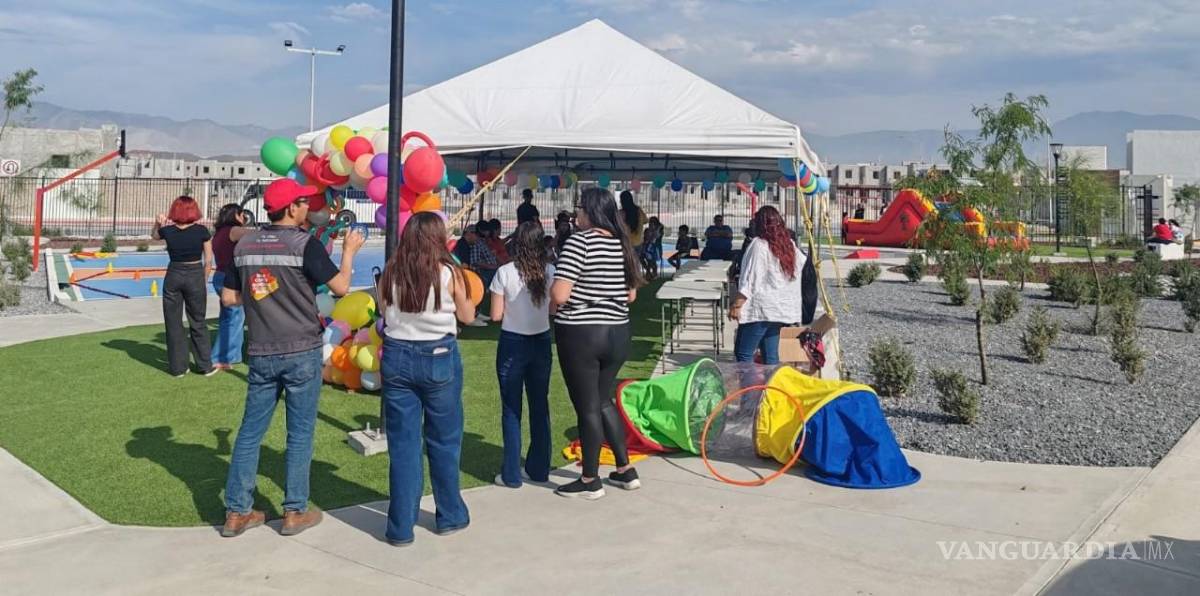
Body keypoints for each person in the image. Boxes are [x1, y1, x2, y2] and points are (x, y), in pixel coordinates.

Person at [220, 178, 365, 538]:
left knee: (250, 432)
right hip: (301, 350)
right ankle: (294, 511)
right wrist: (348, 252)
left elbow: (228, 298)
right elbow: (342, 288)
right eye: (303, 203)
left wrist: (262, 297)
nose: (307, 208)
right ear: (291, 208)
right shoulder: (306, 245)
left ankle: (237, 512)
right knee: (299, 433)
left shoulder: (246, 246)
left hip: (261, 351)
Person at [378, 211, 477, 546]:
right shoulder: (450, 272)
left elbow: (383, 311)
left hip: (397, 356)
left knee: (403, 445)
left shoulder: (391, 270)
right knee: (444, 440)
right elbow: (467, 315)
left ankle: (400, 527)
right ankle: (449, 514)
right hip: (438, 357)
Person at [550, 188, 644, 499]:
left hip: (581, 332)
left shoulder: (580, 241)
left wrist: (555, 304)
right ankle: (623, 469)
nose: (576, 215)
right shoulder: (622, 244)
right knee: (603, 401)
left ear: (589, 211)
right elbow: (631, 294)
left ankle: (590, 478)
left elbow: (560, 294)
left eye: (579, 209)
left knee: (587, 406)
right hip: (617, 330)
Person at [490, 221, 555, 488]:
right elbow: (554, 311)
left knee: (511, 408)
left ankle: (512, 474)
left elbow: (495, 315)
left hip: (512, 342)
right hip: (541, 341)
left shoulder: (504, 272)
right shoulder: (551, 271)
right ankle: (540, 469)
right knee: (540, 405)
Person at [729, 205, 815, 365]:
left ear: (761, 224)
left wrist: (737, 304)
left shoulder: (759, 245)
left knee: (743, 354)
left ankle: (748, 390)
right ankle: (771, 388)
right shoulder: (789, 245)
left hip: (760, 310)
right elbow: (800, 270)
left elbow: (751, 278)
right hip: (778, 310)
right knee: (771, 356)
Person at [152, 196, 216, 378]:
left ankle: (178, 368)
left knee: (173, 322)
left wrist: (157, 223)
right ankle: (205, 366)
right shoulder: (202, 231)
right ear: (193, 210)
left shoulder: (168, 231)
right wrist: (203, 280)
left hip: (174, 273)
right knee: (198, 321)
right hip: (195, 272)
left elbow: (154, 236)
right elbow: (209, 260)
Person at [210, 204, 251, 370]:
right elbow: (253, 234)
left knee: (229, 317)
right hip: (230, 279)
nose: (244, 219)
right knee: (234, 318)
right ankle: (222, 356)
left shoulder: (219, 234)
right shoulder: (233, 231)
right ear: (237, 215)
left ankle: (232, 354)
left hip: (220, 275)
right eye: (243, 216)